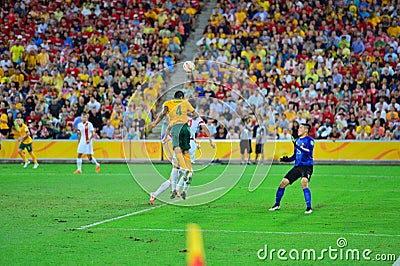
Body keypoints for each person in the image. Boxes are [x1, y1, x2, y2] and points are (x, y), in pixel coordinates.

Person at [148, 90, 197, 197]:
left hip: (177, 134)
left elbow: (164, 116)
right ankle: (181, 188)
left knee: (175, 169)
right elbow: (197, 116)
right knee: (188, 167)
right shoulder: (190, 114)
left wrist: (156, 124)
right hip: (190, 139)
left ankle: (173, 189)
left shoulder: (171, 109)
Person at [269, 123, 315, 214]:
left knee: (304, 182)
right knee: (283, 183)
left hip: (307, 167)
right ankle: (277, 204)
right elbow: (295, 156)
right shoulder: (297, 140)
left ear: (306, 130)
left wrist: (298, 146)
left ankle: (309, 207)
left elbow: (309, 153)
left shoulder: (310, 140)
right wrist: (287, 159)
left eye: (301, 128)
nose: (298, 129)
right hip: (297, 167)